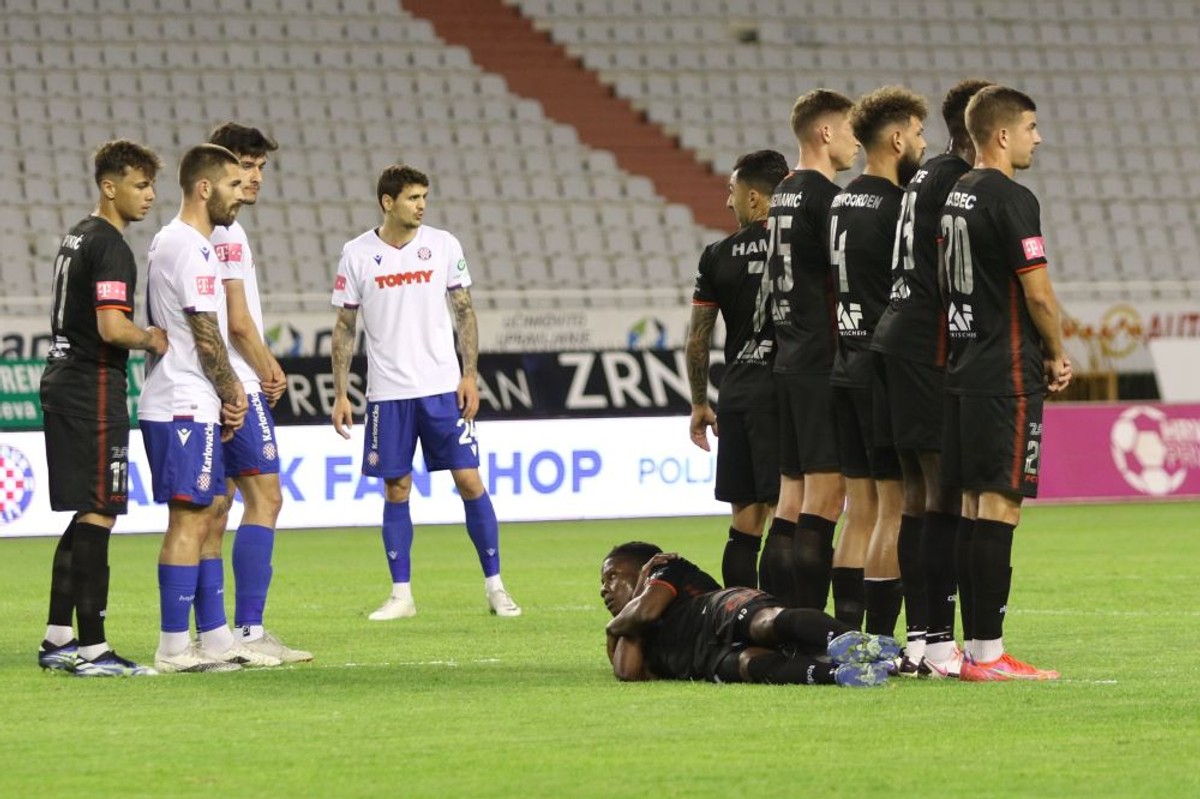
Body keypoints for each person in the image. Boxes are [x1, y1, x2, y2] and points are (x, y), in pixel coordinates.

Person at [331, 164, 521, 620]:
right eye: (413, 197)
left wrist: (469, 372)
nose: (421, 205)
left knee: (469, 480)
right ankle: (402, 595)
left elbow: (465, 311)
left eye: (424, 197)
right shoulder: (356, 253)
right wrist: (341, 392)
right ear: (387, 202)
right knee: (397, 489)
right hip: (387, 393)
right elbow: (344, 325)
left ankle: (496, 587)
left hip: (441, 389)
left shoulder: (443, 245)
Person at [940, 86, 1069, 681]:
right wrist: (1058, 351)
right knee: (1000, 506)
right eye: (1031, 127)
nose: (1037, 138)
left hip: (963, 368)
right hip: (1007, 371)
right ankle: (989, 655)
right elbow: (1037, 292)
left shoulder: (956, 193)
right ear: (1001, 135)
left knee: (971, 506)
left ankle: (973, 651)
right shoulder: (1012, 198)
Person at [870, 80, 993, 677]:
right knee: (939, 490)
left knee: (918, 496)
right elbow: (957, 272)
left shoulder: (925, 174)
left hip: (898, 336)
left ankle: (921, 641)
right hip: (926, 342)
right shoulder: (955, 183)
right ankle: (940, 645)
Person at [36, 140, 167, 677]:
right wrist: (153, 338)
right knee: (101, 510)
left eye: (151, 185)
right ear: (109, 188)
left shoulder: (77, 236)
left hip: (64, 377)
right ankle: (94, 649)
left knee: (85, 511)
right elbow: (114, 328)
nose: (151, 196)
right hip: (92, 385)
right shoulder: (111, 245)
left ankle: (58, 637)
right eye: (140, 185)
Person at [199, 122, 311, 664]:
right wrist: (271, 369)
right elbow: (239, 324)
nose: (255, 176)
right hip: (234, 381)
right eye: (247, 164)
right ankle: (247, 631)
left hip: (202, 383)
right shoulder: (227, 233)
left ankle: (209, 635)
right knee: (265, 497)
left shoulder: (200, 228)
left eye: (262, 167)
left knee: (213, 508)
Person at [140, 143, 255, 673]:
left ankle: (212, 638)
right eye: (232, 183)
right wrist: (235, 393)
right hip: (181, 402)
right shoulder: (187, 246)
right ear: (205, 188)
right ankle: (171, 648)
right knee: (188, 519)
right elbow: (207, 337)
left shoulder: (191, 244)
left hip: (194, 399)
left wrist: (222, 395)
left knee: (207, 514)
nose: (241, 192)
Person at [828, 86, 927, 645]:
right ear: (896, 138)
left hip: (843, 364)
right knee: (894, 506)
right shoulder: (897, 209)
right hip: (880, 368)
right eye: (917, 133)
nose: (921, 143)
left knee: (857, 509)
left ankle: (845, 636)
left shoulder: (842, 200)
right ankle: (882, 643)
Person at [760, 90, 858, 614]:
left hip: (787, 358)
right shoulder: (826, 198)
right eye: (848, 129)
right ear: (824, 132)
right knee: (825, 499)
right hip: (821, 358)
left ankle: (772, 618)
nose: (854, 140)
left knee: (791, 499)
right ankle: (809, 626)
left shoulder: (782, 194)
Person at [686, 150, 789, 589]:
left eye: (731, 192)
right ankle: (789, 623)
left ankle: (741, 624)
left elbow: (697, 340)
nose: (727, 203)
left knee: (744, 525)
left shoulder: (716, 255)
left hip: (739, 395)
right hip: (788, 393)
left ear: (752, 197)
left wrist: (698, 403)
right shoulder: (802, 247)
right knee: (791, 515)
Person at [600, 542, 898, 686]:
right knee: (747, 664)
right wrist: (620, 624)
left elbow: (648, 611)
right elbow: (627, 673)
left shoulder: (666, 567)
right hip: (704, 658)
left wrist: (615, 626)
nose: (604, 589)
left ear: (642, 567)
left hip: (716, 610)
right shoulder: (632, 622)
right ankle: (841, 674)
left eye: (612, 576)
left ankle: (855, 642)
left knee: (765, 622)